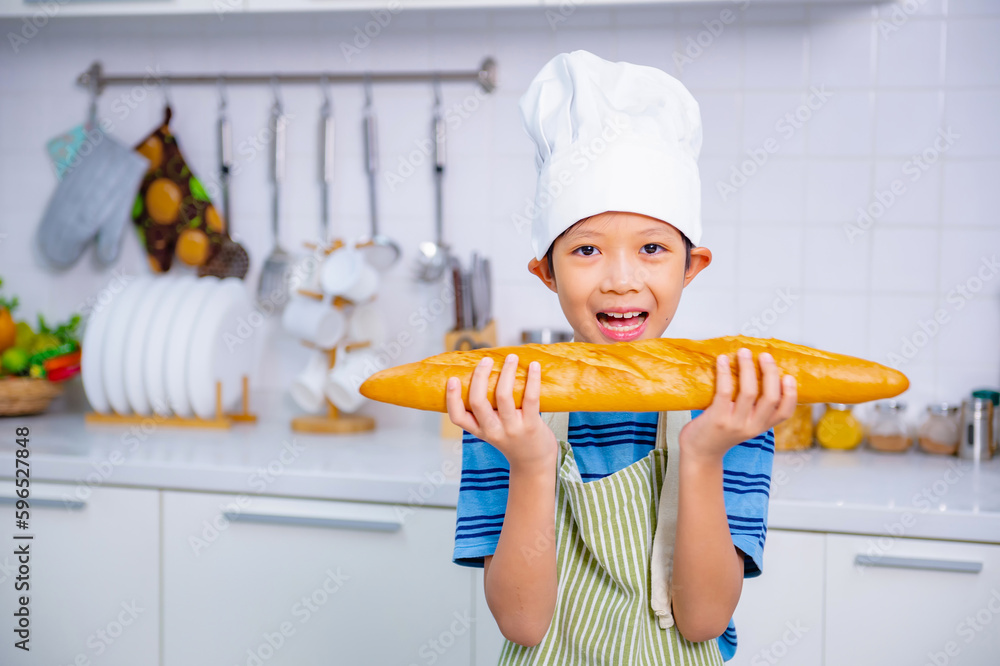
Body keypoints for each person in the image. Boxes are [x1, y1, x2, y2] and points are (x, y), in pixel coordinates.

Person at [444, 50, 798, 664]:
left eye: (653, 247)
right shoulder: (501, 412)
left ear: (693, 267)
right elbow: (523, 624)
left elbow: (704, 617)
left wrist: (703, 454)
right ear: (545, 273)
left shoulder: (729, 411)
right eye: (585, 249)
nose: (620, 280)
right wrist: (531, 464)